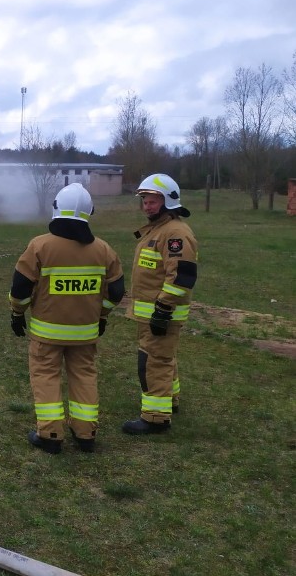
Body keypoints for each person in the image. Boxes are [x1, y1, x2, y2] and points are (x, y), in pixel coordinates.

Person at [9, 183, 124, 454]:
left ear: (56, 208)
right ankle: (86, 433)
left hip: (46, 335)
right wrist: (102, 314)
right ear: (89, 212)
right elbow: (117, 291)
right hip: (85, 334)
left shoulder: (39, 246)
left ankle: (50, 434)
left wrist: (17, 313)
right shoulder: (104, 250)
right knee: (84, 376)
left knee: (46, 377)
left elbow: (20, 290)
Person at [122, 174, 197, 435]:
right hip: (153, 313)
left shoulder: (174, 233)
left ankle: (155, 417)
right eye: (145, 200)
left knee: (154, 362)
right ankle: (170, 400)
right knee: (164, 358)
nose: (147, 206)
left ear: (167, 201)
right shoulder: (159, 229)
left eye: (153, 201)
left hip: (162, 313)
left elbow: (182, 276)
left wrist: (163, 310)